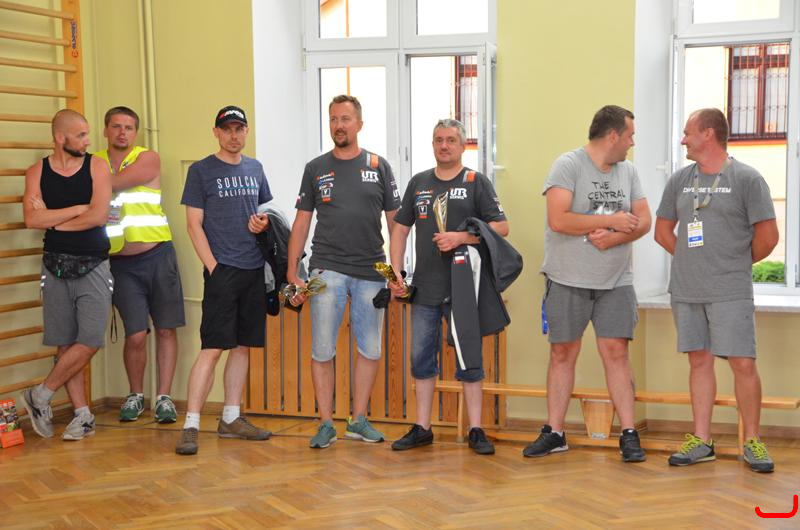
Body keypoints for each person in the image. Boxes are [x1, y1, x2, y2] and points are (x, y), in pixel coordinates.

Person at [523, 105, 650, 462]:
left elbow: (644, 221)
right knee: (562, 353)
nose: (632, 142)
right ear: (613, 135)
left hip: (616, 282)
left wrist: (614, 237)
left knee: (617, 353)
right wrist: (613, 221)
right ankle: (555, 432)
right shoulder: (568, 165)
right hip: (567, 279)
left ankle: (629, 434)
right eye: (629, 135)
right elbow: (559, 219)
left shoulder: (629, 172)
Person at [654, 108, 778, 473]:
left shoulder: (747, 179)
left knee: (743, 363)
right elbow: (662, 232)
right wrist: (694, 262)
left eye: (688, 133)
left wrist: (732, 263)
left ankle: (752, 441)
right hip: (687, 289)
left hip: (730, 290)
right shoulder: (679, 180)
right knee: (698, 361)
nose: (683, 140)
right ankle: (702, 440)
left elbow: (769, 238)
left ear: (708, 134)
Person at [388, 119, 509, 455]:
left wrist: (462, 237)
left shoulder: (475, 182)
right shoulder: (419, 183)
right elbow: (400, 230)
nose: (444, 145)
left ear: (462, 145)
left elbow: (501, 227)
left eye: (451, 140)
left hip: (465, 289)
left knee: (470, 359)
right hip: (424, 289)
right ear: (432, 144)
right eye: (438, 140)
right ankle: (422, 428)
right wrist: (396, 272)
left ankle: (475, 429)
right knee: (420, 359)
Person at [287, 94, 400, 449]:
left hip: (373, 268)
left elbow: (396, 224)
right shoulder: (315, 168)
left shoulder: (379, 166)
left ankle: (358, 420)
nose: (339, 125)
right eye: (334, 119)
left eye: (346, 119)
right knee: (322, 348)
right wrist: (292, 272)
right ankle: (325, 423)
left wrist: (396, 273)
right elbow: (301, 223)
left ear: (359, 124)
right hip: (326, 268)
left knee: (371, 349)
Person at [175, 105, 273, 455]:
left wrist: (261, 224)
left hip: (253, 270)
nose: (234, 135)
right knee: (213, 348)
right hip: (222, 271)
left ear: (246, 131)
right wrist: (213, 267)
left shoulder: (255, 168)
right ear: (216, 132)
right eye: (227, 129)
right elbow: (193, 225)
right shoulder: (201, 171)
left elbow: (263, 214)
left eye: (239, 129)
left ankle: (231, 418)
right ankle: (191, 425)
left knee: (242, 346)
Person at [20, 109, 112, 441]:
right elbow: (32, 219)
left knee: (90, 339)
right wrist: (76, 210)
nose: (88, 141)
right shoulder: (37, 172)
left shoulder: (97, 166)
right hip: (54, 264)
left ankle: (41, 394)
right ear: (61, 138)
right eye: (81, 135)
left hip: (94, 262)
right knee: (64, 342)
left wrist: (54, 220)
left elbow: (98, 215)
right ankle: (83, 415)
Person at [95, 106, 184, 424]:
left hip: (158, 254)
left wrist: (94, 184)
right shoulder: (95, 161)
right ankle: (135, 395)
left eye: (129, 127)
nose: (122, 132)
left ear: (136, 132)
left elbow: (114, 183)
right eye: (116, 126)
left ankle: (164, 398)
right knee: (135, 335)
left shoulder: (147, 158)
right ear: (105, 130)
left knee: (166, 329)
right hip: (120, 262)